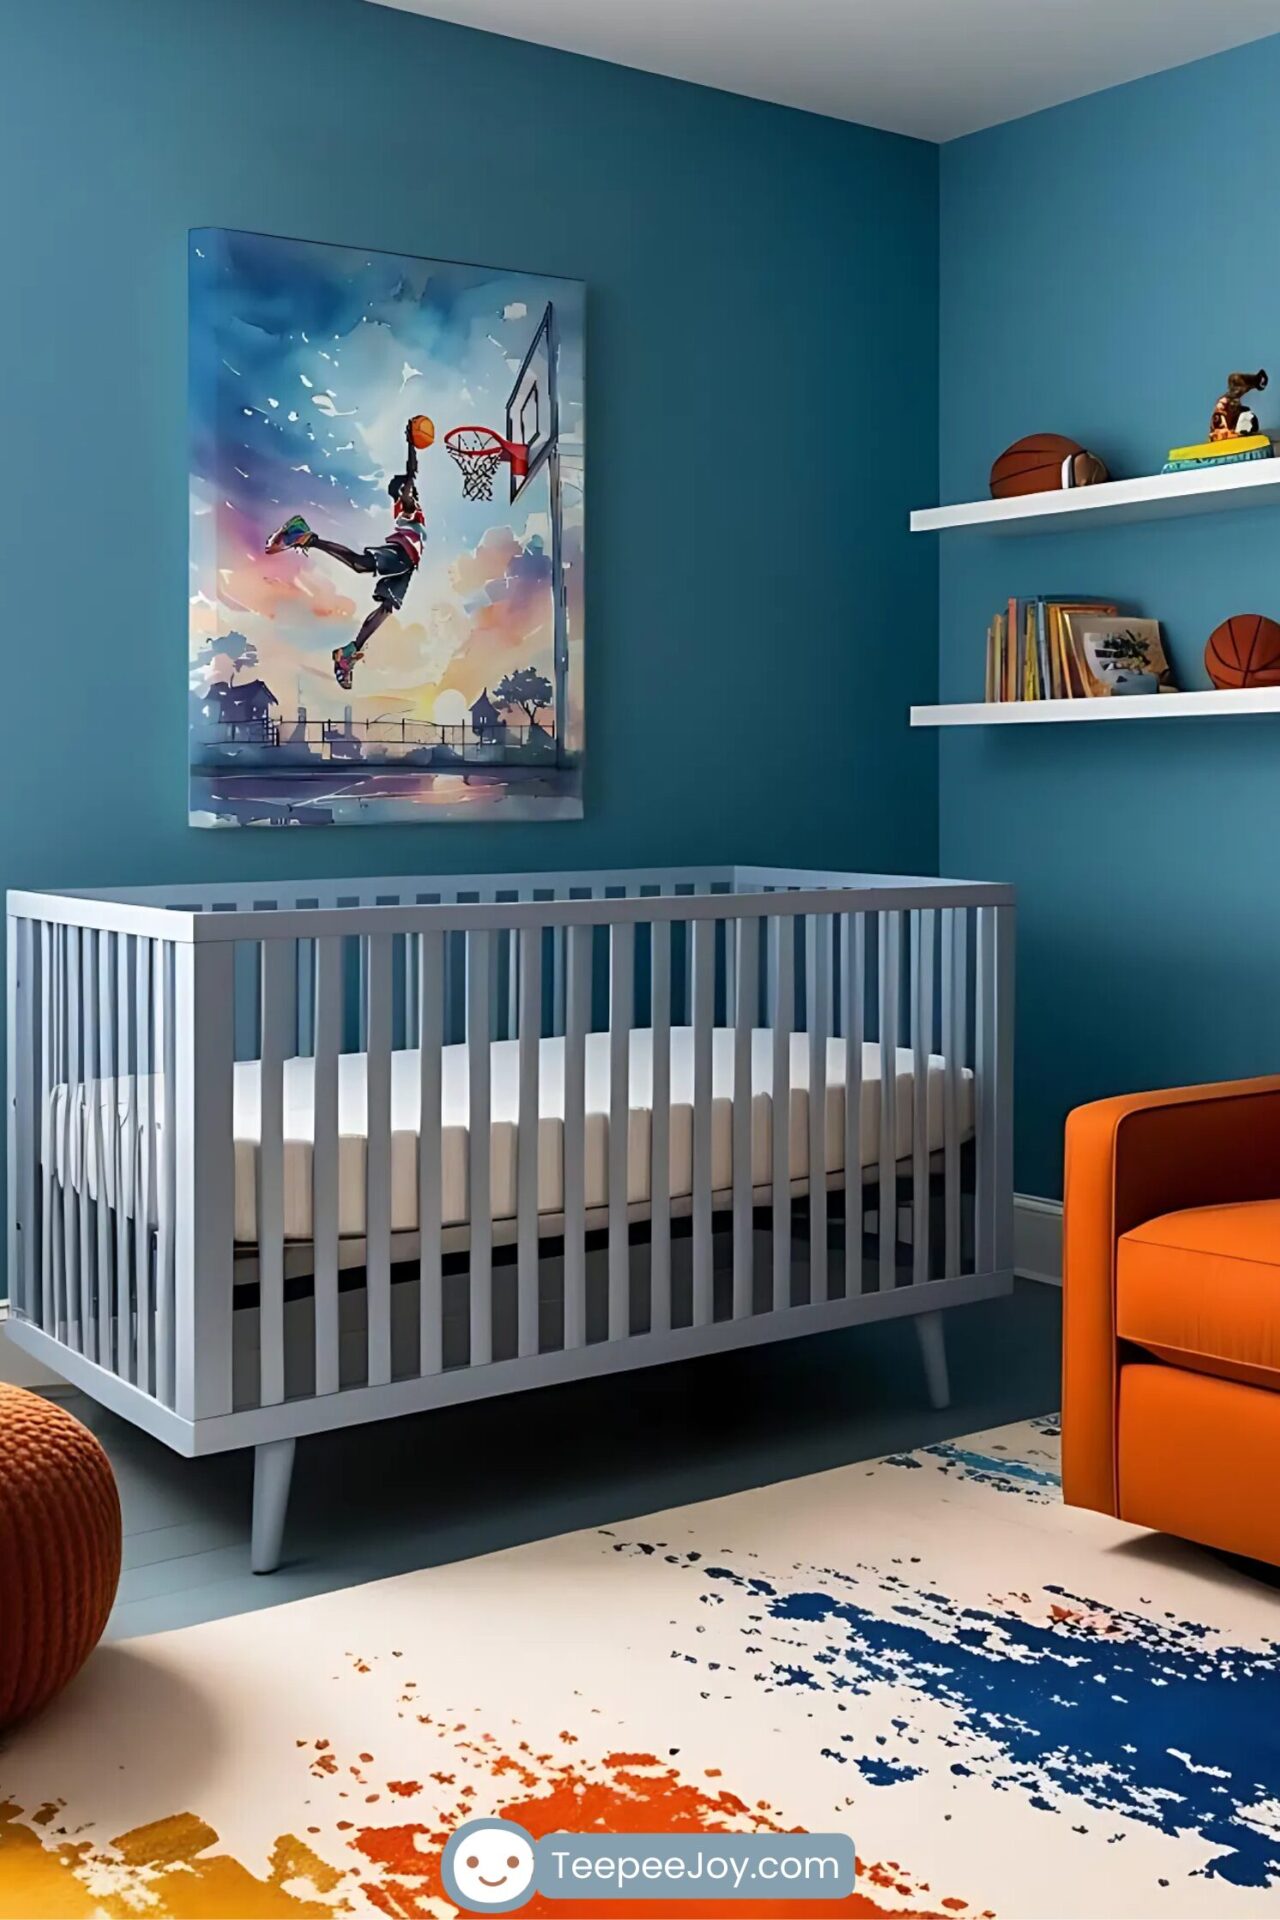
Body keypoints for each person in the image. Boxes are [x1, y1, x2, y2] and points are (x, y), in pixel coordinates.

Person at [265, 419, 430, 689]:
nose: (412, 491)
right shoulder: (406, 505)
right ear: (402, 493)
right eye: (408, 490)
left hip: (409, 563)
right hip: (403, 552)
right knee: (362, 565)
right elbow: (411, 478)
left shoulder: (410, 505)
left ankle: (349, 653)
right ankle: (307, 536)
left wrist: (412, 452)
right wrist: (412, 446)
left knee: (388, 607)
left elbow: (412, 476)